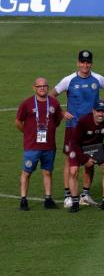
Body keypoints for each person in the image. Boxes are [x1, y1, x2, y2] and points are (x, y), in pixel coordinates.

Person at [51, 49, 104, 206]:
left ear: (91, 63)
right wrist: (62, 112)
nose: (85, 65)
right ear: (78, 63)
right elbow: (51, 96)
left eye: (88, 62)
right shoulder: (69, 80)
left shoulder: (98, 78)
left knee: (90, 160)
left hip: (92, 128)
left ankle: (85, 194)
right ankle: (68, 195)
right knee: (69, 160)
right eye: (83, 62)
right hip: (73, 127)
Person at [16, 78, 63, 210]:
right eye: (39, 86)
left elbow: (58, 120)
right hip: (32, 146)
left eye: (44, 86)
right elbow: (18, 121)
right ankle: (23, 200)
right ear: (34, 88)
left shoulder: (54, 102)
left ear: (48, 87)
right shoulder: (27, 103)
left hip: (49, 146)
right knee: (27, 172)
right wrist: (27, 133)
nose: (42, 88)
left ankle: (48, 199)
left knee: (47, 172)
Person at [67, 100, 104, 212]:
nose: (101, 114)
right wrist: (84, 158)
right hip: (79, 147)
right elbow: (74, 142)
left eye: (103, 111)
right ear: (93, 111)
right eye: (98, 111)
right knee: (73, 171)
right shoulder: (83, 121)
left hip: (96, 147)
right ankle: (75, 202)